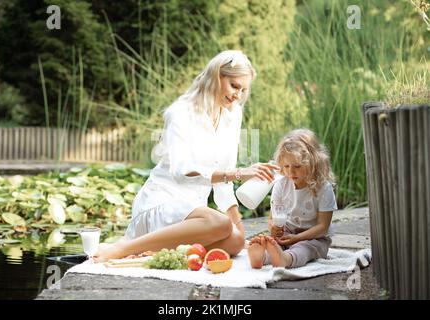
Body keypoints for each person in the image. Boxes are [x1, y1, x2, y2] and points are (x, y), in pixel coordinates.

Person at [93, 50, 280, 262]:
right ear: (216, 76)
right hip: (162, 202)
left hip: (193, 217)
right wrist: (239, 173)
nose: (238, 95)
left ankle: (155, 251)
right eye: (234, 86)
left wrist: (240, 230)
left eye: (243, 90)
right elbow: (182, 171)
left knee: (235, 242)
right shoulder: (181, 112)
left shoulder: (232, 114)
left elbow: (224, 181)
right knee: (219, 223)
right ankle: (124, 247)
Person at [248, 128, 337, 269]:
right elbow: (272, 217)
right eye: (286, 166)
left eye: (297, 166)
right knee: (276, 243)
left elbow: (323, 227)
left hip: (315, 238)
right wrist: (273, 228)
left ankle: (286, 260)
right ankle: (263, 258)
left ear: (313, 163)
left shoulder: (323, 188)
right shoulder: (281, 185)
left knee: (304, 249)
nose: (290, 171)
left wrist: (297, 238)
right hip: (287, 233)